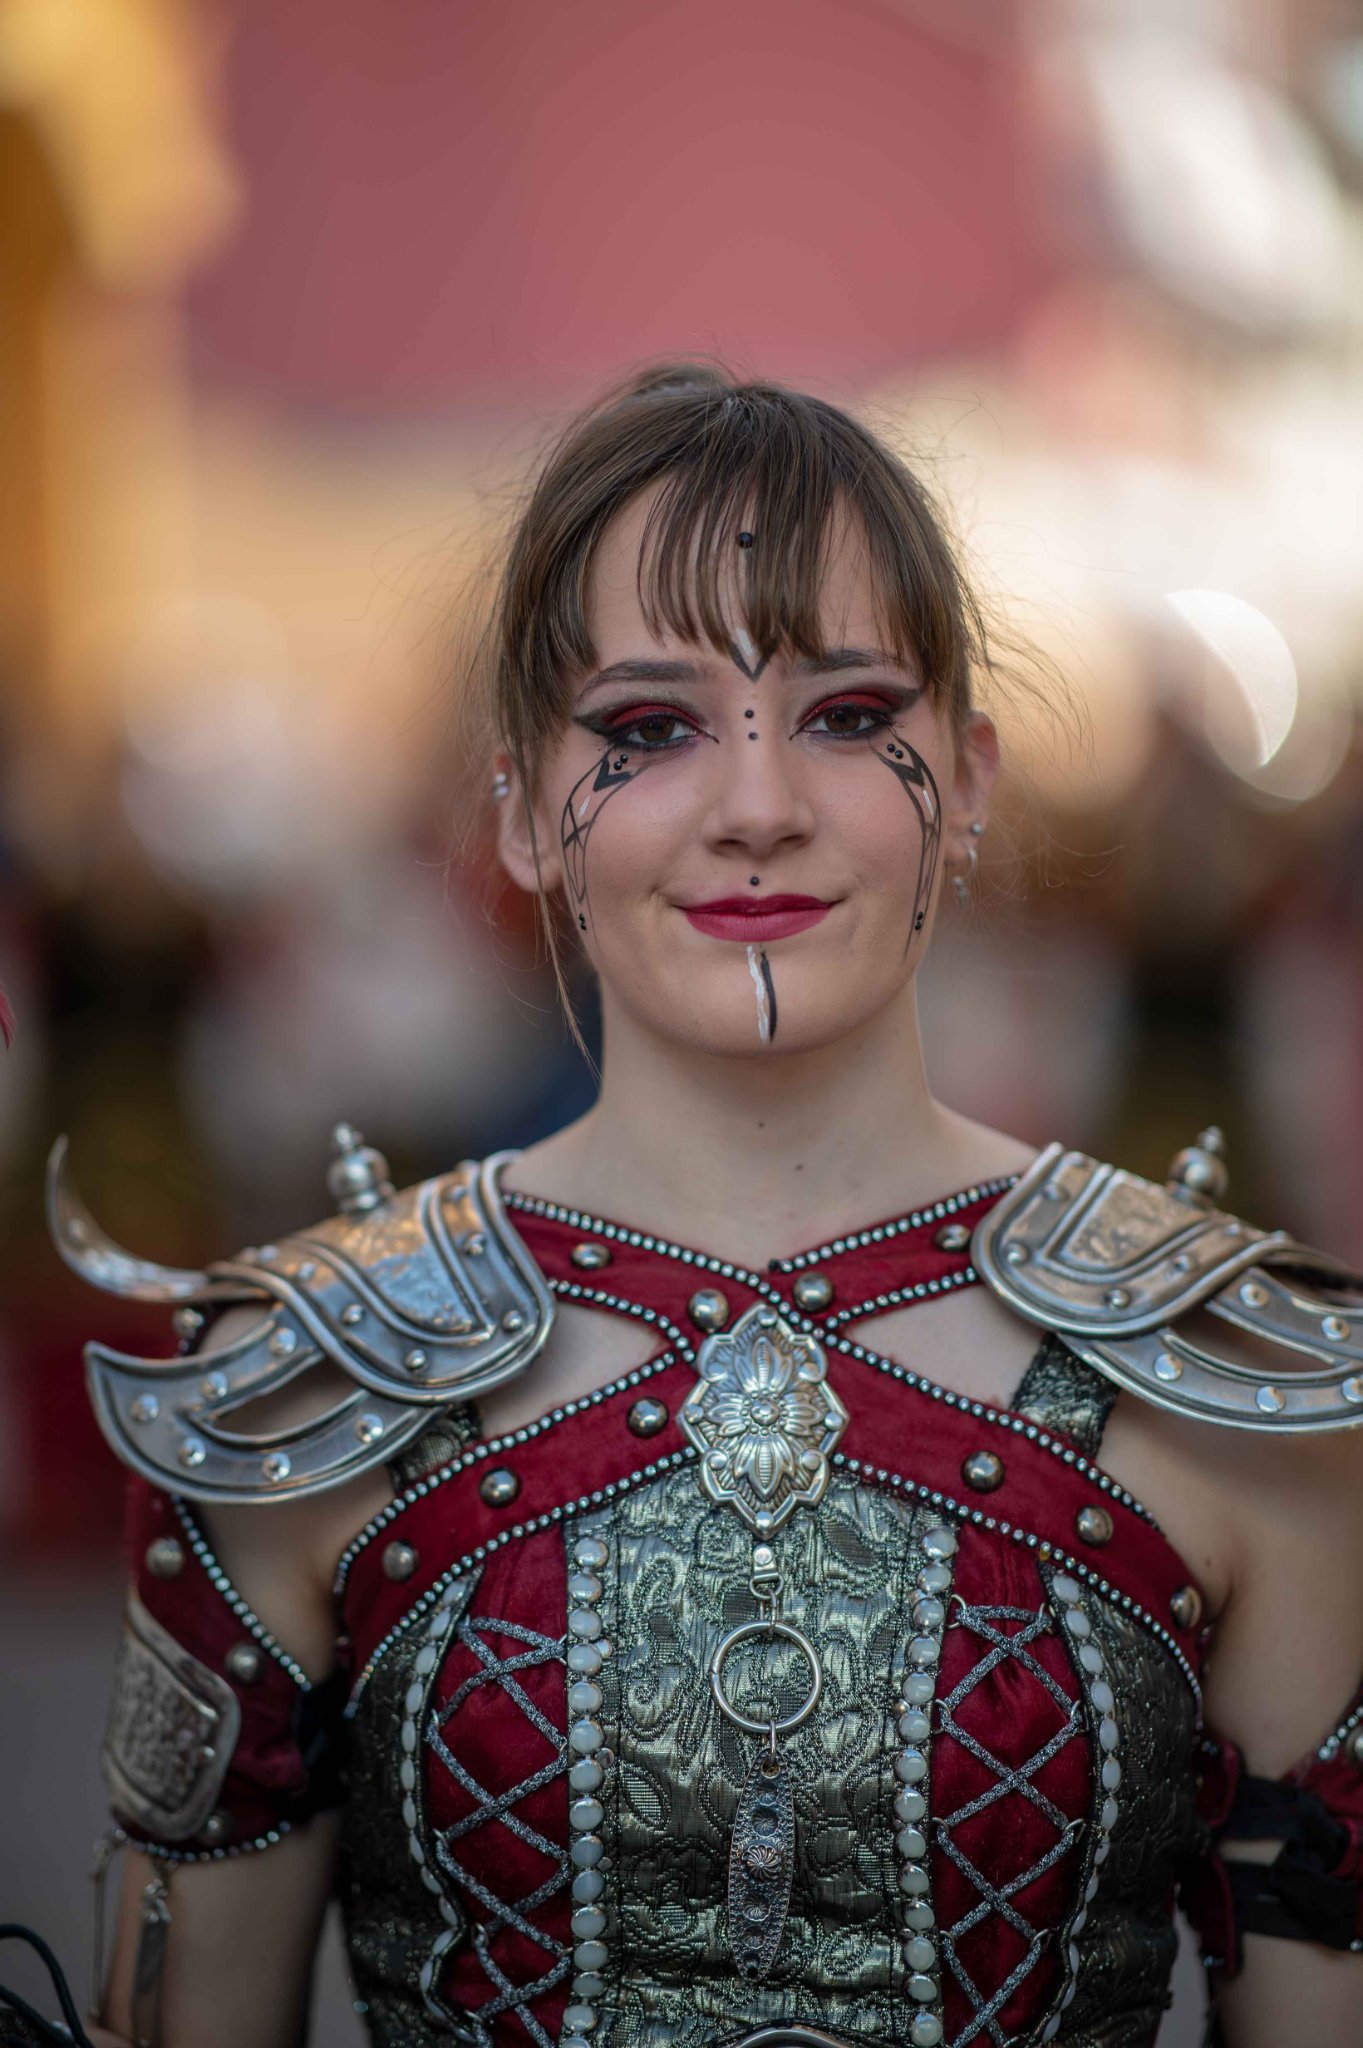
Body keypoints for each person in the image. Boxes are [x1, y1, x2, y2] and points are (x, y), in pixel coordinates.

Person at [35, 367, 1363, 2048]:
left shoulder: (1243, 1381)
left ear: (970, 777)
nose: (757, 807)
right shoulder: (301, 1384)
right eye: (648, 730)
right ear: (522, 807)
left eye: (849, 715)